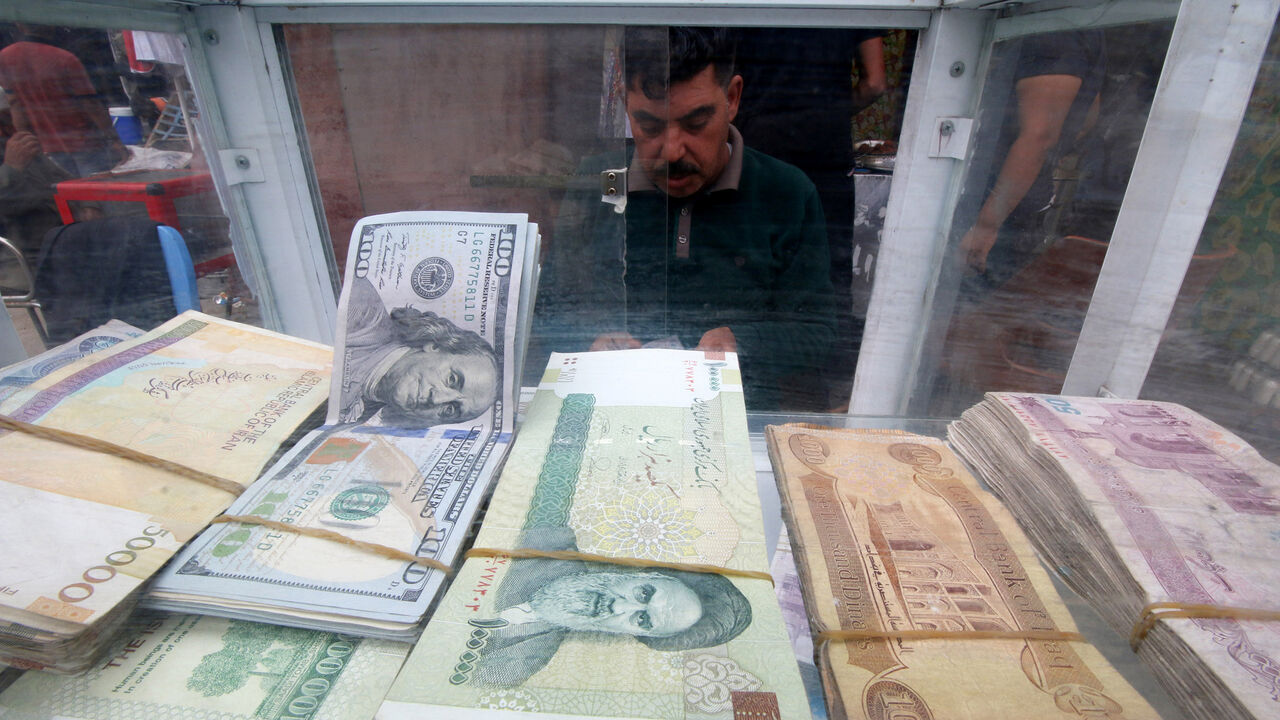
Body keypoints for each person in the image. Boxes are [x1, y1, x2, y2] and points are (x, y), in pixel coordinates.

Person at [533, 27, 837, 410]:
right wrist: (589, 339)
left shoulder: (787, 193)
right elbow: (549, 309)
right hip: (612, 408)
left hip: (737, 416)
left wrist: (741, 341)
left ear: (732, 98)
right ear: (625, 103)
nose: (672, 151)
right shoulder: (602, 183)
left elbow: (818, 331)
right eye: (649, 125)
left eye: (695, 124)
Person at [467, 526, 753, 686]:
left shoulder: (515, 666)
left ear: (642, 636)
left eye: (642, 620)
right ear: (645, 574)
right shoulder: (545, 534)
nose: (618, 607)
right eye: (643, 593)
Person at [957, 30, 1104, 288]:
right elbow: (1088, 116)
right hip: (1011, 200)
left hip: (996, 207)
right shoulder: (1079, 25)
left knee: (967, 307)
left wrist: (986, 226)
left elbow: (1040, 136)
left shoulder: (1058, 33)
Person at [337, 275, 499, 428]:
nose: (436, 399)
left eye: (450, 410)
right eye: (451, 379)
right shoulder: (361, 310)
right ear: (434, 345)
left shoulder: (352, 422)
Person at [0, 23, 128, 177]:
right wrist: (115, 140)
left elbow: (16, 104)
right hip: (85, 143)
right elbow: (91, 105)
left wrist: (25, 141)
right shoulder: (64, 58)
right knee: (96, 192)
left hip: (47, 146)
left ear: (19, 25)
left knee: (67, 195)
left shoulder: (5, 57)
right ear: (51, 24)